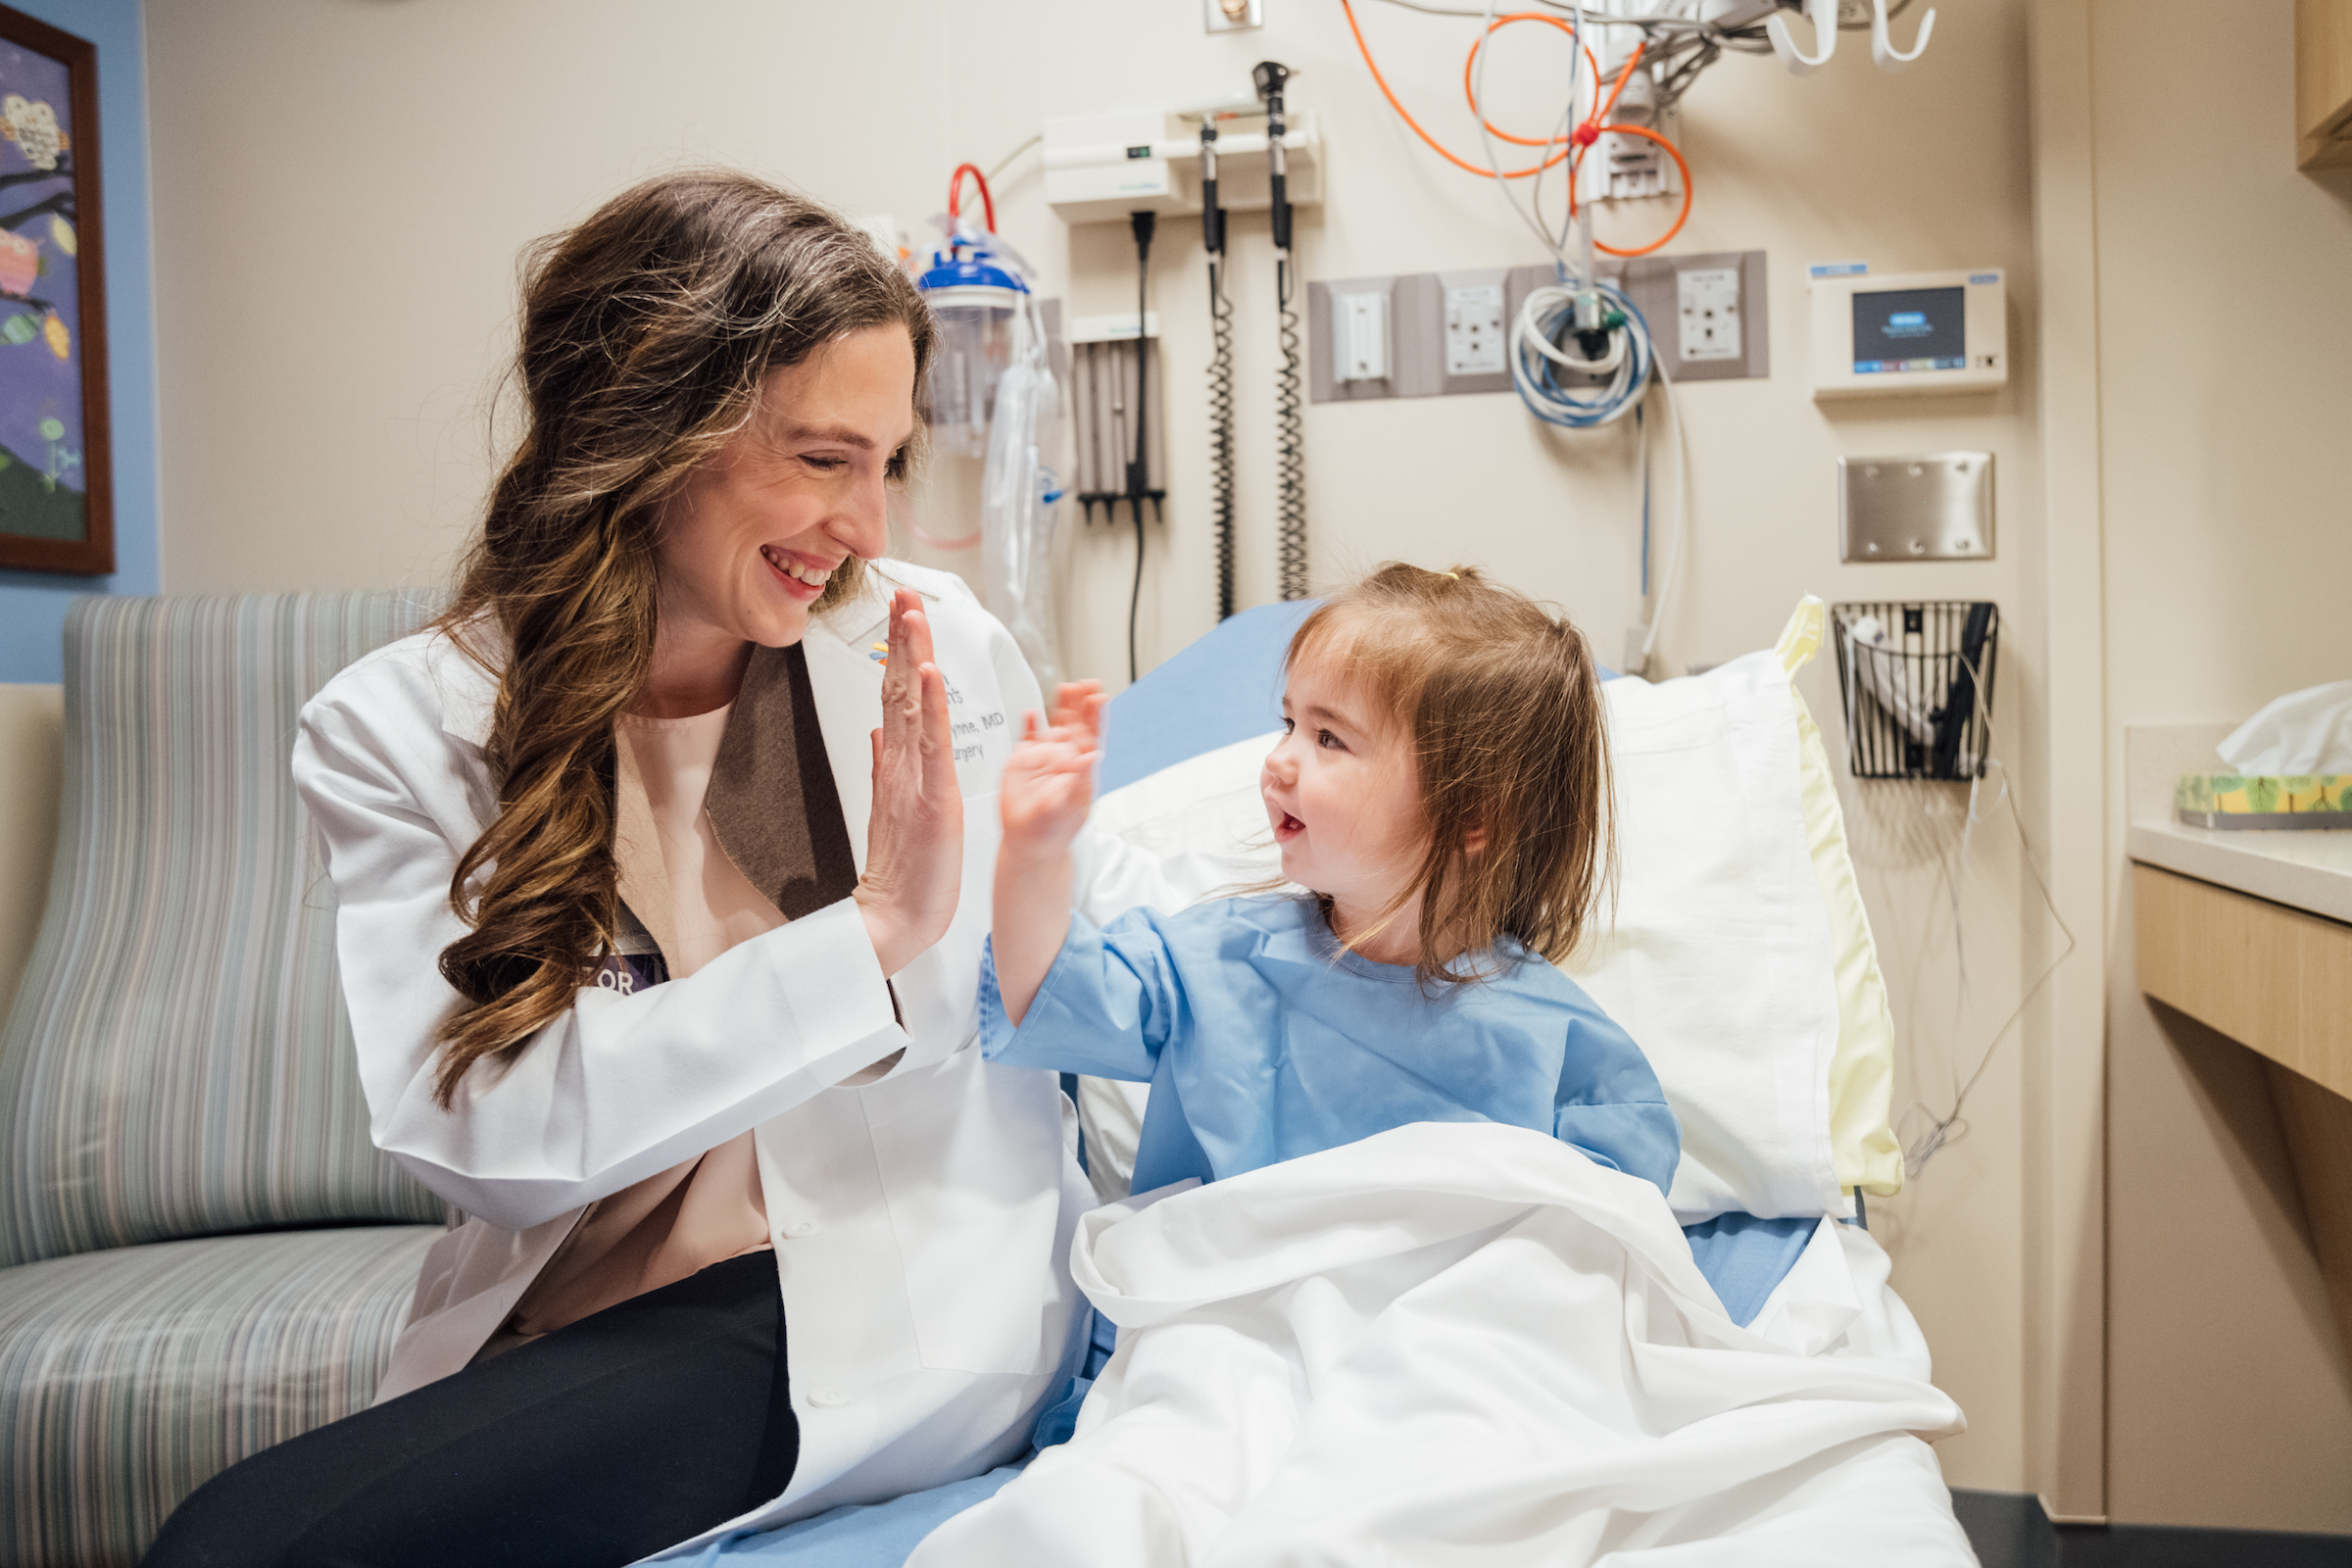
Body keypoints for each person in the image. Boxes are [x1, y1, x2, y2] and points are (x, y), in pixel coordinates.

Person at [141, 172, 1193, 1568]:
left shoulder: (922, 653)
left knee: (245, 1549)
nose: (869, 530)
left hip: (865, 1295)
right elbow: (489, 1141)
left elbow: (1036, 1012)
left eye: (885, 463)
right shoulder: (406, 726)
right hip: (565, 1313)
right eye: (822, 460)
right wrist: (868, 931)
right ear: (649, 434)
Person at [985, 562, 1681, 1209]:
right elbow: (1045, 994)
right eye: (1290, 723)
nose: (1278, 761)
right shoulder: (1210, 968)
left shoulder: (1566, 1054)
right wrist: (1034, 853)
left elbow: (1609, 1248)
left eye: (1329, 739)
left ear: (1471, 814)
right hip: (1223, 1305)